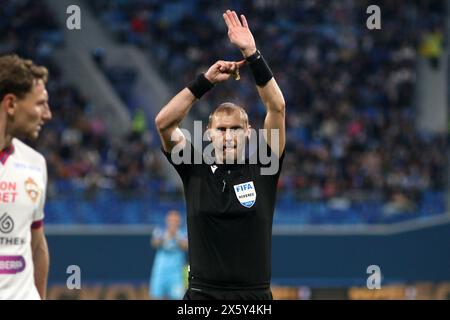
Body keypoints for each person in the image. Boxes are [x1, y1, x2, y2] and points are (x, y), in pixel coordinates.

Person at [155, 10, 286, 300]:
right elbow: (163, 123)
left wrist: (252, 54)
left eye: (236, 129)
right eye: (222, 130)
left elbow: (277, 108)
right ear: (208, 135)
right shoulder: (193, 167)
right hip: (202, 297)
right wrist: (206, 81)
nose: (228, 137)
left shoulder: (265, 166)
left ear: (249, 133)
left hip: (253, 299)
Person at [0, 54, 52, 299]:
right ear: (11, 104)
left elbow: (37, 245)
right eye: (40, 104)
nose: (48, 114)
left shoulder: (35, 164)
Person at [149, 210, 188, 300]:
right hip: (160, 271)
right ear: (167, 220)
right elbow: (154, 243)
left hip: (176, 273)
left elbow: (186, 246)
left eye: (175, 220)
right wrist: (166, 236)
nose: (173, 223)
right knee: (156, 296)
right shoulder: (160, 231)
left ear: (179, 221)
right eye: (171, 220)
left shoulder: (183, 232)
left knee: (178, 297)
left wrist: (176, 235)